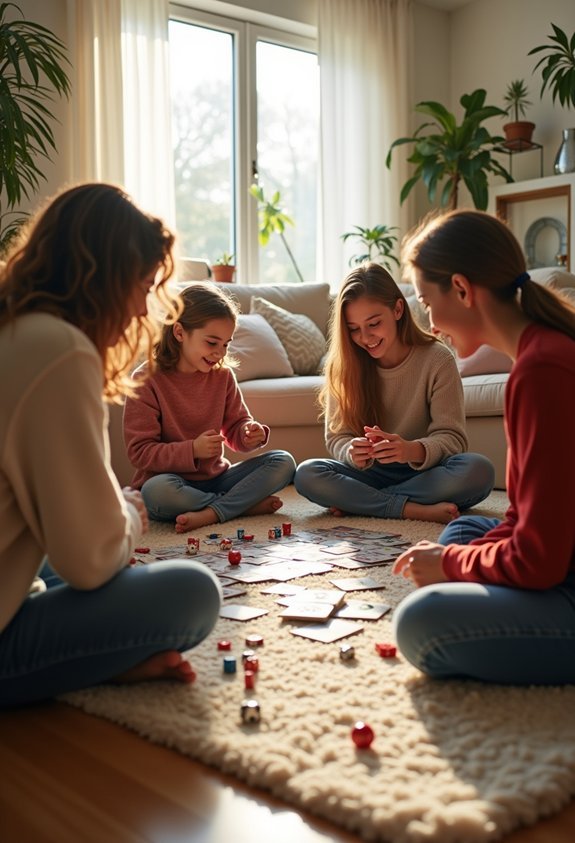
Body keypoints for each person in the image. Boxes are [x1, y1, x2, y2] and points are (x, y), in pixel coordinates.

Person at [0, 183, 222, 709]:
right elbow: (89, 561)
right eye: (142, 285)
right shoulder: (59, 349)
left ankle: (95, 660)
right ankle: (81, 668)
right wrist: (125, 512)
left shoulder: (15, 329)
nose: (143, 307)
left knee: (55, 569)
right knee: (192, 592)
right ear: (104, 277)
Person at [392, 209, 575, 685]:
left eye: (425, 301)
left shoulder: (542, 372)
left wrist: (452, 566)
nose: (430, 323)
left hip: (563, 575)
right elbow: (524, 521)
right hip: (563, 554)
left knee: (420, 622)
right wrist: (456, 559)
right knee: (469, 527)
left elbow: (538, 559)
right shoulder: (544, 349)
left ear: (461, 289)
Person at [294, 262, 494, 523]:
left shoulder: (437, 359)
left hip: (424, 473)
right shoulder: (343, 365)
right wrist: (351, 451)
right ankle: (409, 508)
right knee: (307, 474)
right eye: (353, 328)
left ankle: (364, 502)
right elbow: (337, 438)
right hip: (370, 474)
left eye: (374, 323)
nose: (365, 337)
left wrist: (410, 450)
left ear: (398, 309)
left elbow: (452, 438)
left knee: (478, 471)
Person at [123, 282, 296, 533]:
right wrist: (193, 449)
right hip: (171, 483)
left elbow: (236, 428)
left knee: (283, 462)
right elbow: (140, 452)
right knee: (155, 493)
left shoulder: (222, 376)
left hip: (217, 479)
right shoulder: (146, 380)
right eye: (212, 342)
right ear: (180, 333)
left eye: (226, 344)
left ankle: (213, 510)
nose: (219, 353)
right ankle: (239, 506)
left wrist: (249, 433)